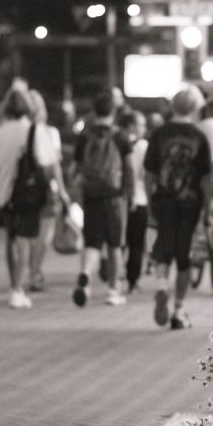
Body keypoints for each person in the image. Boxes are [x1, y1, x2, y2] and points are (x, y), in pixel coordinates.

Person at [143, 85, 212, 328]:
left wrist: (150, 198)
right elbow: (205, 177)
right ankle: (179, 310)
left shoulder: (160, 133)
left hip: (163, 198)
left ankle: (162, 284)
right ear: (194, 108)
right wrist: (208, 208)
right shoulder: (199, 136)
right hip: (190, 202)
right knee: (184, 253)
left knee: (164, 243)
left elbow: (149, 172)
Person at [0, 87, 61, 309]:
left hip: (5, 193)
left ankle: (13, 283)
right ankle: (18, 289)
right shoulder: (34, 131)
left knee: (11, 239)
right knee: (25, 239)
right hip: (27, 193)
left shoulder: (0, 132)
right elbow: (48, 164)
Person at [71, 90, 134, 307]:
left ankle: (86, 277)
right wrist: (131, 195)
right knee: (115, 246)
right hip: (115, 197)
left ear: (94, 111)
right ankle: (114, 290)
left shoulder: (85, 137)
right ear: (113, 111)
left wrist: (76, 196)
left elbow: (76, 170)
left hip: (91, 196)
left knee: (92, 243)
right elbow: (130, 169)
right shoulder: (121, 136)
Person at [26, 89, 71, 293]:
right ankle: (35, 271)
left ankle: (30, 271)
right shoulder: (50, 133)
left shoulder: (17, 131)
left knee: (27, 234)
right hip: (46, 189)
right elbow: (55, 166)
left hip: (24, 189)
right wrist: (62, 191)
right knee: (44, 233)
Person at [119, 109, 149, 294]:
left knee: (119, 242)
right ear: (132, 126)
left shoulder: (118, 142)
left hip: (118, 198)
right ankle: (133, 279)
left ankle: (113, 274)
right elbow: (145, 174)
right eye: (141, 124)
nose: (144, 128)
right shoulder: (143, 146)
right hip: (139, 198)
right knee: (136, 243)